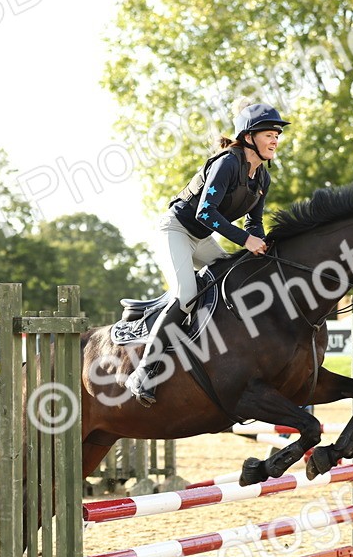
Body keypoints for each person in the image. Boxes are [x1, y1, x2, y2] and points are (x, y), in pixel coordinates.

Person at [124, 102, 290, 407]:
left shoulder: (262, 178)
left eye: (277, 135)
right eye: (269, 134)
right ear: (249, 137)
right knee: (186, 294)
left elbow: (253, 223)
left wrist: (263, 247)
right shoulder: (227, 163)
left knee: (236, 279)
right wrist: (246, 240)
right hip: (176, 230)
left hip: (201, 239)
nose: (275, 140)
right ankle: (143, 371)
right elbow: (205, 212)